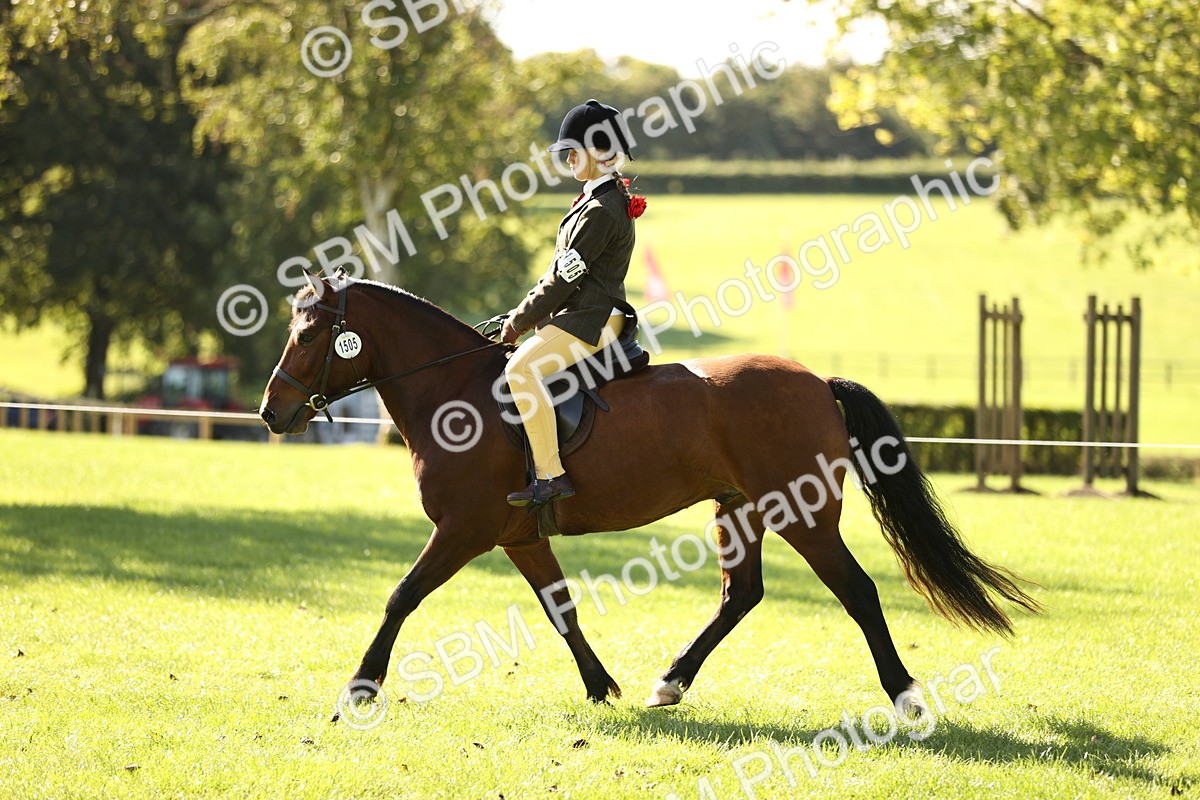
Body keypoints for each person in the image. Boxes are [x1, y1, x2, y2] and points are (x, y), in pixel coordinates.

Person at [500, 99, 647, 507]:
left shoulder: (601, 209)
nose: (566, 158)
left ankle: (551, 476)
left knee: (520, 370)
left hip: (592, 320)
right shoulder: (595, 199)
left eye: (573, 151)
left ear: (599, 153)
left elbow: (564, 279)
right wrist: (527, 312)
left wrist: (519, 319)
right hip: (585, 315)